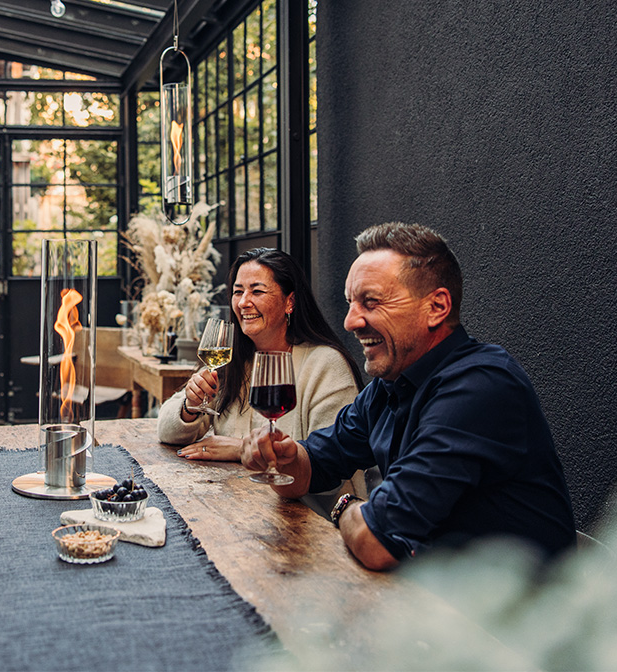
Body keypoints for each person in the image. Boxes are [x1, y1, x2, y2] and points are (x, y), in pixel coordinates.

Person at [242, 222, 576, 570]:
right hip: (438, 595)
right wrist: (282, 456)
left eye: (370, 302)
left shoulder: (480, 386)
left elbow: (376, 542)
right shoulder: (388, 387)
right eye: (351, 303)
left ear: (437, 307)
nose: (350, 321)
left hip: (513, 616)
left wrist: (343, 508)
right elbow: (309, 469)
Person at [158, 248, 363, 466]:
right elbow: (166, 431)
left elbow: (330, 459)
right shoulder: (232, 360)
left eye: (257, 292)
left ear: (289, 302)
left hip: (304, 500)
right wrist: (190, 407)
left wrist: (241, 448)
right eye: (238, 292)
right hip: (238, 496)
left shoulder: (325, 365)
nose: (243, 302)